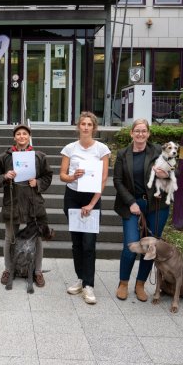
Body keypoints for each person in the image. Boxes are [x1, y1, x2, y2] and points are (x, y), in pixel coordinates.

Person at [113, 119, 173, 301]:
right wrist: (131, 202)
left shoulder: (157, 151)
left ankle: (140, 284)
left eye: (144, 131)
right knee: (131, 246)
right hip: (131, 205)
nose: (140, 134)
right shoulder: (123, 154)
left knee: (150, 247)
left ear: (148, 133)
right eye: (137, 131)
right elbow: (117, 181)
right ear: (131, 133)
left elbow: (172, 169)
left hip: (157, 205)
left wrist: (168, 173)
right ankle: (123, 283)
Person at [0, 124, 53, 288]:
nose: (21, 137)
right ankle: (8, 268)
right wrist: (5, 176)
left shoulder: (39, 156)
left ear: (29, 136)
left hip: (34, 203)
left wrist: (37, 182)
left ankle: (38, 271)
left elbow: (48, 176)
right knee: (9, 237)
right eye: (18, 134)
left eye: (24, 134)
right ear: (14, 137)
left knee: (38, 238)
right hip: (13, 202)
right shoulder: (6, 156)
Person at [59, 112, 110, 305]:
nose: (86, 127)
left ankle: (89, 285)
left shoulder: (102, 149)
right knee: (77, 242)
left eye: (90, 124)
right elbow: (62, 175)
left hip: (92, 197)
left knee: (89, 243)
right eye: (83, 124)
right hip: (72, 196)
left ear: (94, 127)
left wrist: (92, 203)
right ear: (78, 127)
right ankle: (80, 279)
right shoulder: (70, 148)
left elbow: (103, 178)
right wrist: (73, 176)